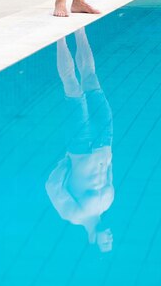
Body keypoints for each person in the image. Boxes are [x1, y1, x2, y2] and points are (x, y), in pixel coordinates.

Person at [45, 27, 114, 253]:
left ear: (93, 241)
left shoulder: (74, 215)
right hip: (105, 140)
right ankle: (79, 29)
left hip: (81, 146)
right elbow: (110, 170)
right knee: (92, 79)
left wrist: (68, 161)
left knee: (73, 88)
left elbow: (53, 186)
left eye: (106, 242)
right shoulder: (107, 203)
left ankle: (59, 36)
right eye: (111, 241)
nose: (110, 237)